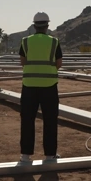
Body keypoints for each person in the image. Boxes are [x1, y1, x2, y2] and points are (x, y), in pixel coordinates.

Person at [18, 12, 63, 163]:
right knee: (50, 120)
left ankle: (25, 155)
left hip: (29, 86)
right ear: (47, 26)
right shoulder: (54, 42)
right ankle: (50, 155)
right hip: (49, 86)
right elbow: (59, 63)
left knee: (27, 120)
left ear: (34, 25)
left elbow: (23, 62)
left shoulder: (25, 41)